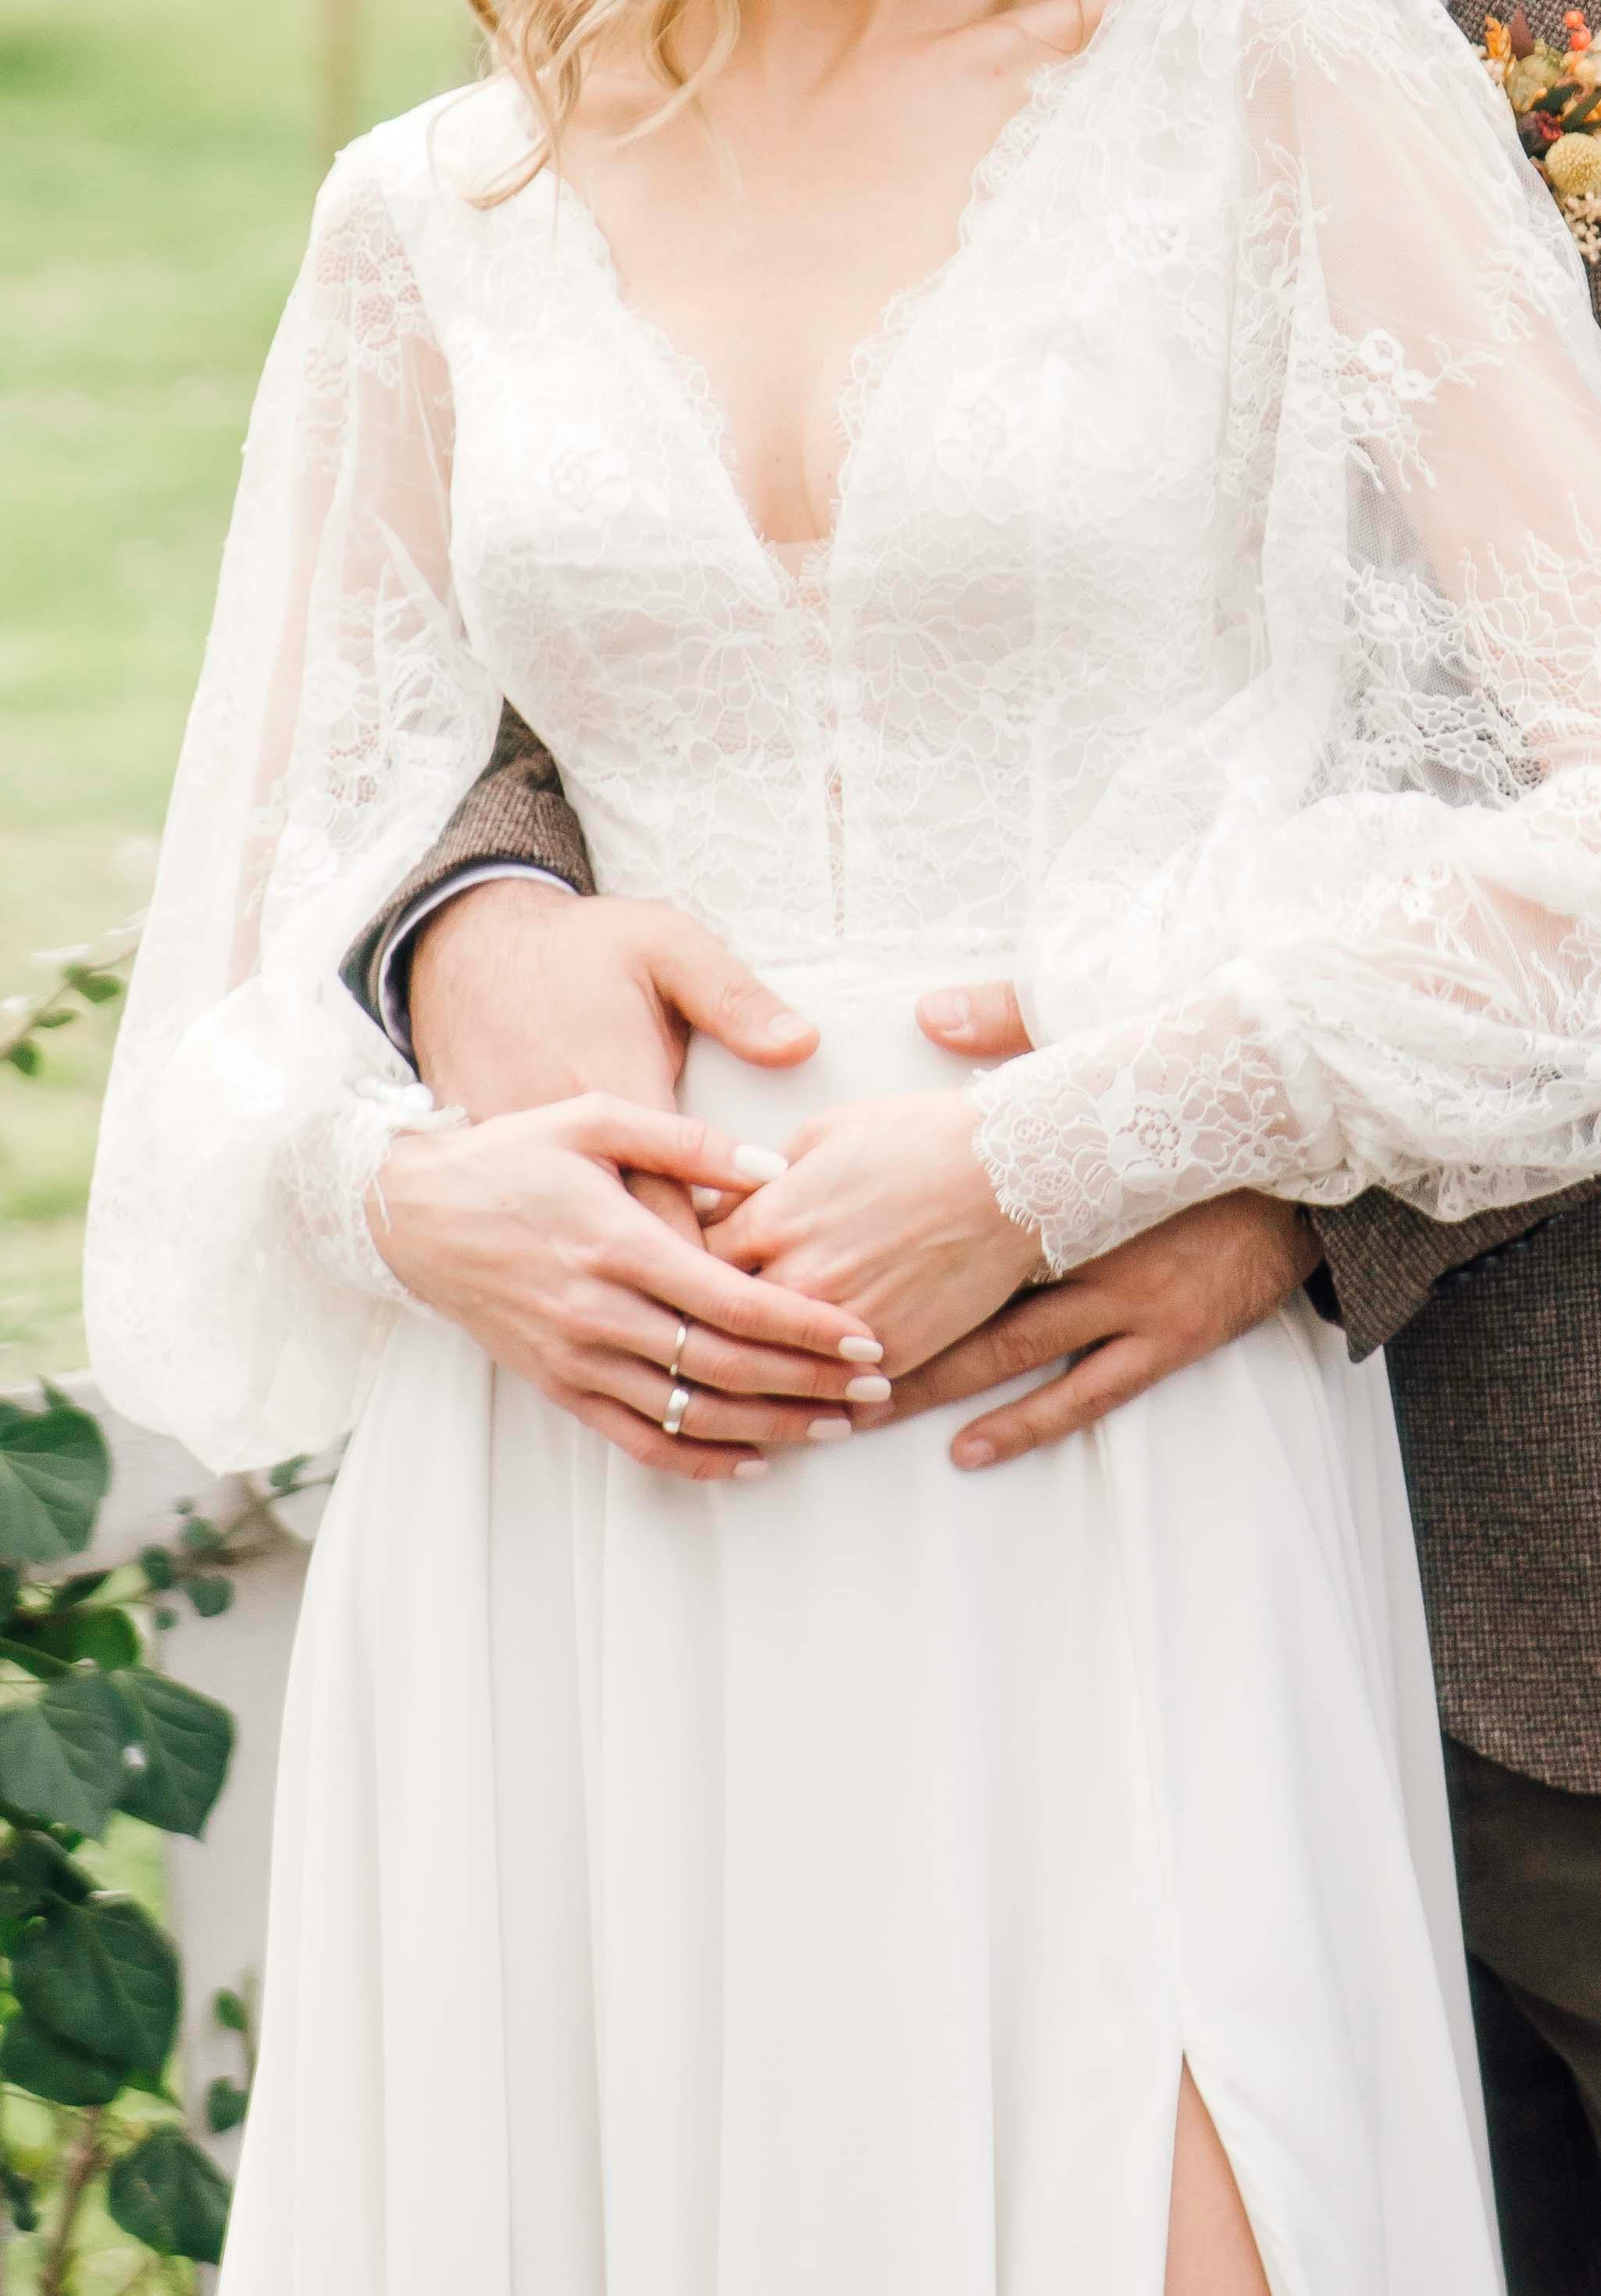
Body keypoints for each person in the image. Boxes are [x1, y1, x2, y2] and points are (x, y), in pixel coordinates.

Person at [83, 0, 1601, 2284]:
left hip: (1099, 1440)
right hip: (572, 1481)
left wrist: (1053, 1155)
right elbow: (239, 955)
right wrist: (408, 1197)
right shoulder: (425, 210)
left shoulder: (1278, 76)